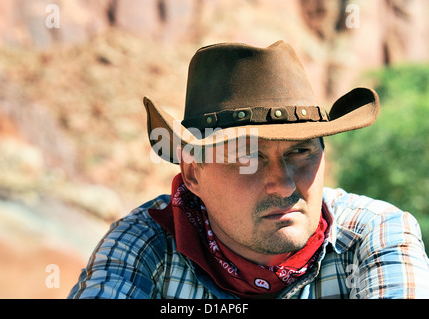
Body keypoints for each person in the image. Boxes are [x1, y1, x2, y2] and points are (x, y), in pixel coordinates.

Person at [68, 40, 429, 299]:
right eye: (247, 158)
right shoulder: (147, 243)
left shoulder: (376, 235)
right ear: (193, 174)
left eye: (300, 151)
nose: (281, 183)